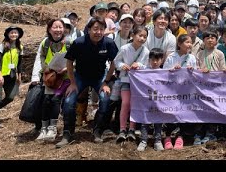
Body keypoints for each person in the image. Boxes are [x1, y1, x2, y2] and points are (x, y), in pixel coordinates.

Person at [55, 17, 118, 148]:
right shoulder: (79, 43)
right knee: (68, 101)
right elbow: (69, 62)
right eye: (95, 29)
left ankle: (97, 131)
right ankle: (68, 133)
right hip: (80, 76)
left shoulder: (109, 43)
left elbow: (114, 62)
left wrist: (106, 81)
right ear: (89, 29)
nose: (98, 32)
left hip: (100, 77)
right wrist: (72, 83)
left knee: (105, 99)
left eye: (101, 29)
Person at [113, 26, 149, 147]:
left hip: (138, 83)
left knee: (134, 104)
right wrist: (122, 65)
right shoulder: (124, 49)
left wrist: (139, 65)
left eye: (145, 36)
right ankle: (122, 129)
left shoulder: (146, 51)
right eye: (140, 35)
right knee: (126, 103)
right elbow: (116, 62)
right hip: (125, 80)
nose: (142, 38)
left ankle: (132, 129)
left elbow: (147, 66)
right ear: (133, 35)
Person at [36, 19, 71, 142]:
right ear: (49, 29)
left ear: (64, 29)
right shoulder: (45, 43)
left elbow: (76, 59)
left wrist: (67, 68)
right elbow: (41, 57)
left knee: (55, 100)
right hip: (50, 78)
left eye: (60, 27)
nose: (58, 30)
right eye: (55, 27)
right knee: (46, 101)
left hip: (65, 77)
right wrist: (46, 68)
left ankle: (52, 128)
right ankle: (44, 128)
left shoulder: (69, 43)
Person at [162, 34, 197, 150]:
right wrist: (172, 70)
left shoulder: (191, 58)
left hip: (186, 91)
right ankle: (167, 137)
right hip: (172, 91)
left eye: (191, 42)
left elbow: (196, 75)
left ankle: (180, 137)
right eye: (187, 42)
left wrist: (192, 71)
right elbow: (163, 73)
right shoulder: (171, 57)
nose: (189, 44)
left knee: (183, 113)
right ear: (179, 44)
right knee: (171, 112)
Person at [0, 26, 24, 128]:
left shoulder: (20, 47)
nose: (14, 35)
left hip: (11, 75)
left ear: (18, 35)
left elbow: (20, 63)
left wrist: (19, 75)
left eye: (15, 33)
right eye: (11, 33)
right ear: (7, 34)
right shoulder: (2, 46)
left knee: (10, 97)